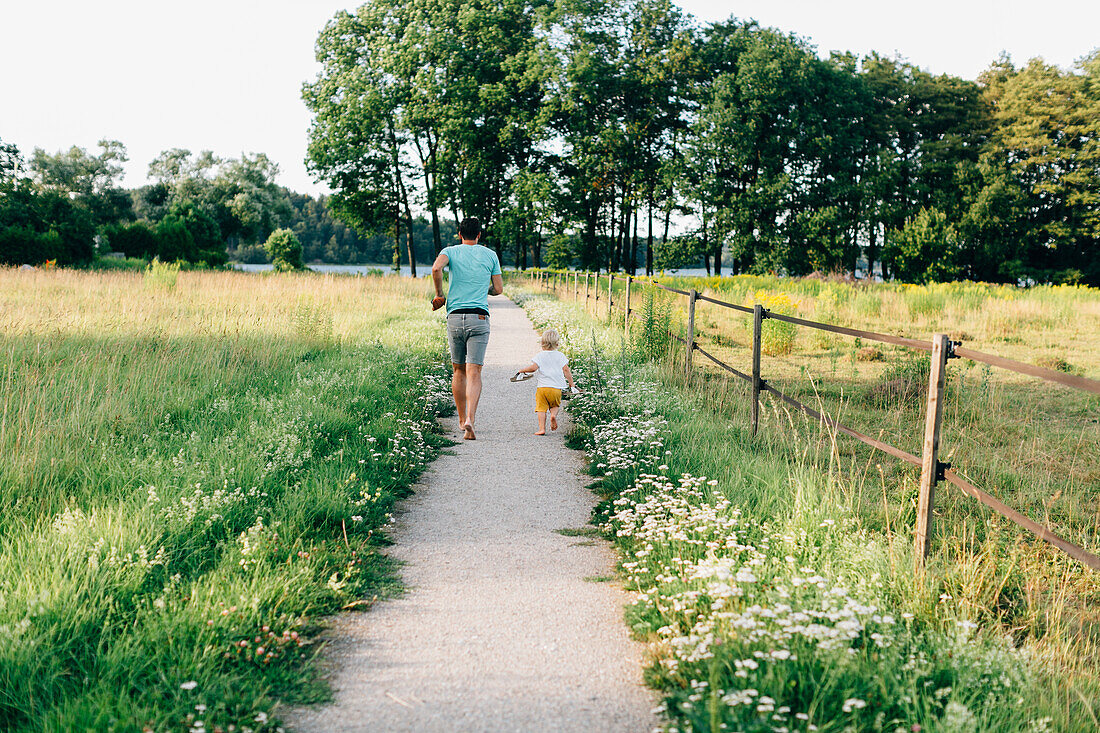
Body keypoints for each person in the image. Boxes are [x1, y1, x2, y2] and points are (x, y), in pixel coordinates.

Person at [431, 217, 504, 441]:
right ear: (479, 235)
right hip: (479, 317)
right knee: (474, 371)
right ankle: (472, 418)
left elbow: (436, 268)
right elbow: (499, 289)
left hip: (454, 317)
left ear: (459, 234)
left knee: (458, 370)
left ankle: (462, 420)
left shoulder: (450, 251)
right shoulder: (490, 255)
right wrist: (485, 290)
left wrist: (440, 294)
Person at [515, 328, 578, 436]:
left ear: (542, 343)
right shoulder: (560, 355)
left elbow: (533, 368)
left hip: (542, 389)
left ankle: (541, 429)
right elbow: (566, 370)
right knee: (555, 406)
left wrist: (522, 370)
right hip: (556, 389)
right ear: (557, 344)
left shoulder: (539, 356)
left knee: (541, 409)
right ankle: (553, 416)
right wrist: (572, 384)